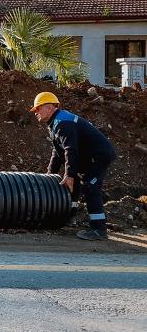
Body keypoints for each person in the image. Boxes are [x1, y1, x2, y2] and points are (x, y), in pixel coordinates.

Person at [30, 91, 116, 241]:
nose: (35, 112)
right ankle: (69, 217)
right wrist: (50, 175)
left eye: (38, 108)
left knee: (90, 186)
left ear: (50, 108)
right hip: (88, 157)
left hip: (99, 156)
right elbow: (58, 152)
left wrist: (68, 174)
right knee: (73, 182)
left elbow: (71, 149)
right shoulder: (55, 123)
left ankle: (99, 229)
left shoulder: (63, 122)